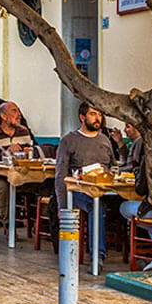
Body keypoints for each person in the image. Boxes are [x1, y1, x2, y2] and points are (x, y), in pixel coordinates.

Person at [55, 102, 114, 267]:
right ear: (82, 117)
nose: (98, 118)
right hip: (78, 192)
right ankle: (98, 256)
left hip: (105, 188)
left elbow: (113, 166)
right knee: (97, 205)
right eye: (93, 114)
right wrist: (62, 206)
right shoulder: (69, 140)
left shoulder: (105, 140)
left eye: (100, 115)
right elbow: (61, 176)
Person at [0, 101, 34, 222]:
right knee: (3, 187)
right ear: (4, 116)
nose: (19, 114)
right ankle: (10, 223)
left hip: (19, 174)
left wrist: (29, 152)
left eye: (18, 110)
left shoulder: (23, 131)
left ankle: (41, 223)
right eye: (14, 111)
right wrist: (6, 153)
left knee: (44, 183)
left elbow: (31, 155)